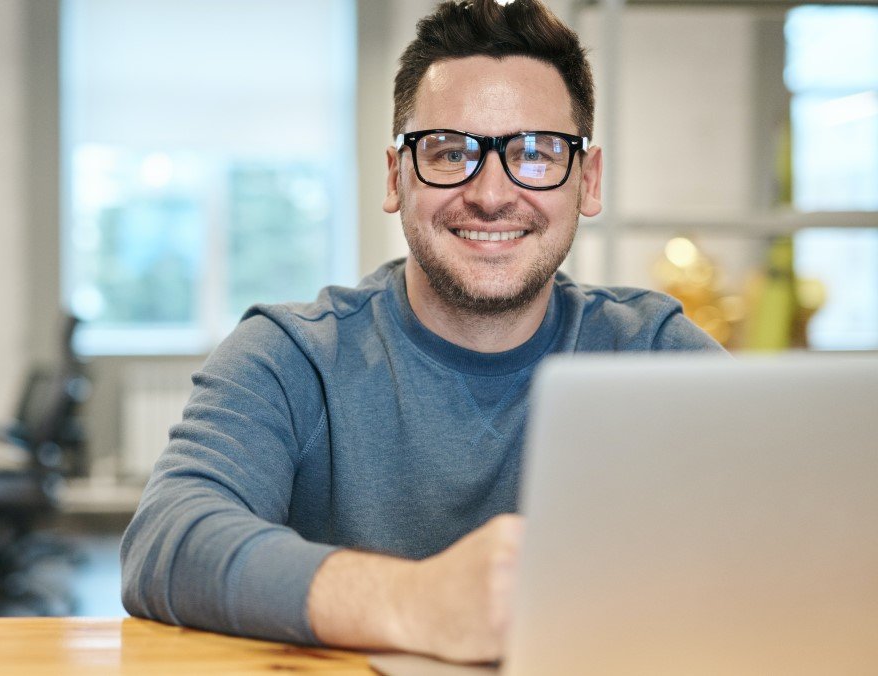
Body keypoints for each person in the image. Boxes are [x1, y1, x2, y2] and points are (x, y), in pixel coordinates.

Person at [120, 0, 725, 664]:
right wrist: (415, 601)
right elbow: (168, 541)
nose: (491, 194)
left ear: (588, 180)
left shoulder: (655, 354)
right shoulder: (292, 356)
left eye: (535, 153)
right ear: (394, 175)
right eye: (448, 151)